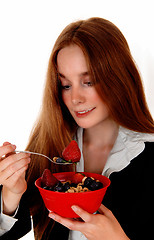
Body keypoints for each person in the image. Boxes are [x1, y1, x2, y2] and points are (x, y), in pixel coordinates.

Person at [0, 17, 154, 240]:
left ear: (119, 78)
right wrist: (10, 196)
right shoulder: (50, 145)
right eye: (66, 85)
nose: (75, 98)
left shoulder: (148, 155)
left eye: (88, 81)